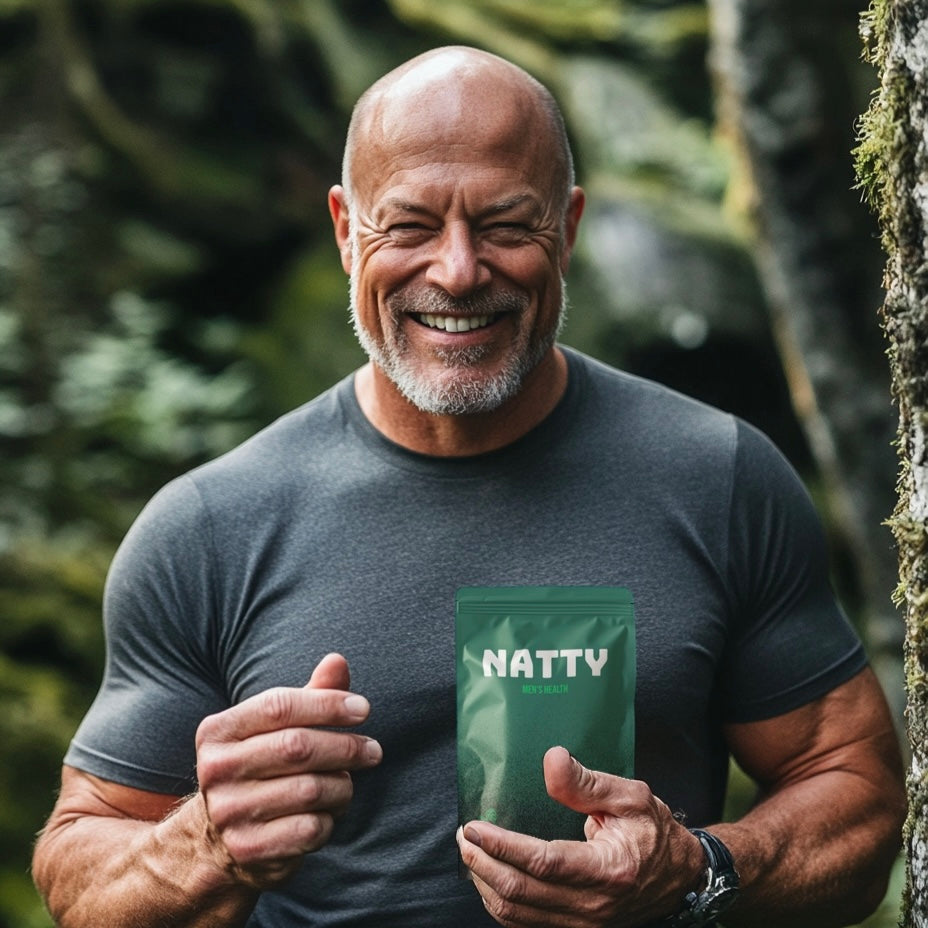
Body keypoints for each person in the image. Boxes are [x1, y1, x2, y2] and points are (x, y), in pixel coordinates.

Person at [32, 45, 904, 928]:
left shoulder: (719, 477)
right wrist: (204, 842)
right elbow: (79, 867)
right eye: (407, 225)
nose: (456, 271)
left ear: (567, 228)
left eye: (504, 225)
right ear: (344, 231)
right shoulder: (210, 527)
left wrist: (697, 869)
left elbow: (859, 797)